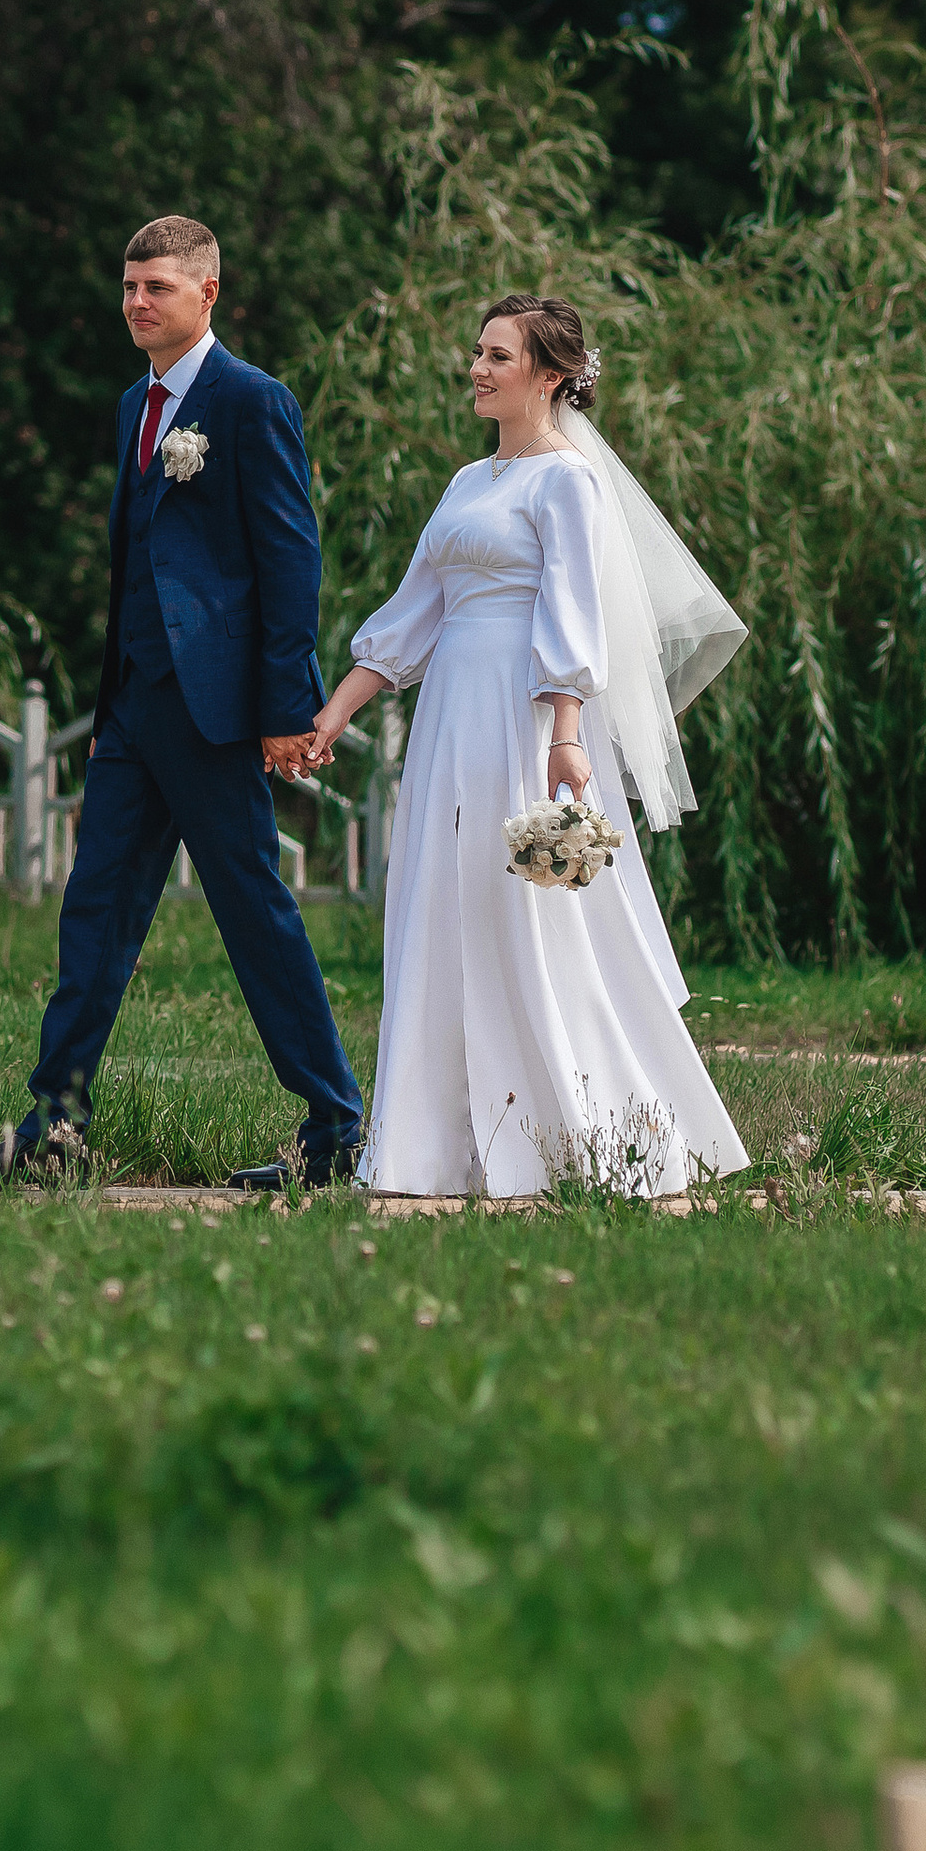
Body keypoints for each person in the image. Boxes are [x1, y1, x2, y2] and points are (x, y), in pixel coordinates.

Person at [0, 217, 363, 1187]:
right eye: (129, 287)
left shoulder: (250, 401)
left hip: (217, 717)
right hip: (133, 715)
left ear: (207, 293)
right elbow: (132, 568)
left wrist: (282, 707)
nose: (137, 303)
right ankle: (55, 1130)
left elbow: (289, 562)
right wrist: (108, 711)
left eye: (157, 287)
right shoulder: (134, 403)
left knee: (254, 915)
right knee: (93, 917)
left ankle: (334, 1130)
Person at [302, 294, 753, 1197]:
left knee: (528, 914)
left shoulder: (567, 483)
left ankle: (581, 1135)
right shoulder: (467, 485)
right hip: (447, 723)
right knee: (441, 898)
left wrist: (568, 735)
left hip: (522, 712)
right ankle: (433, 1147)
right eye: (478, 351)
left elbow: (571, 613)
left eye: (498, 356)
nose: (478, 367)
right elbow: (413, 613)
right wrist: (337, 710)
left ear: (548, 376)